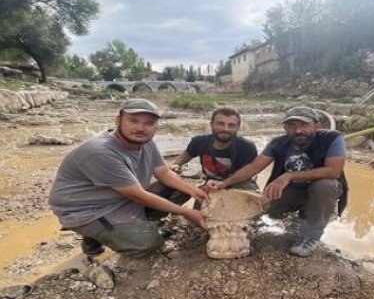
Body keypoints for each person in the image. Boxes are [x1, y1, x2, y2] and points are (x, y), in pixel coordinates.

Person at [48, 98, 208, 259]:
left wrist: (196, 191)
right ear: (118, 120)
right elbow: (136, 194)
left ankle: (137, 226)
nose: (140, 128)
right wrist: (186, 212)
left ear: (155, 127)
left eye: (148, 123)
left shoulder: (147, 143)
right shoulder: (100, 152)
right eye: (133, 120)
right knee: (148, 243)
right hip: (89, 210)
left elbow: (164, 173)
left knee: (179, 188)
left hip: (119, 198)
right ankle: (93, 237)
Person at [209, 106, 347, 258]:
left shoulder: (332, 138)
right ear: (284, 127)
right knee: (260, 213)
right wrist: (224, 183)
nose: (298, 131)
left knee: (325, 185)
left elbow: (333, 171)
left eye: (304, 125)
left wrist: (288, 176)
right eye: (291, 126)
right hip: (292, 190)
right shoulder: (278, 143)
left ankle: (311, 235)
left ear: (317, 125)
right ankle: (299, 211)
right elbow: (253, 168)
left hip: (320, 190)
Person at [156, 106, 258, 204]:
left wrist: (223, 184)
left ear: (238, 128)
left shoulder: (246, 147)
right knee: (172, 185)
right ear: (211, 125)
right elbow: (187, 154)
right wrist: (177, 164)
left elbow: (247, 173)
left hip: (239, 183)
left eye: (231, 125)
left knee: (250, 202)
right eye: (220, 124)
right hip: (210, 184)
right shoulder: (199, 141)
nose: (225, 129)